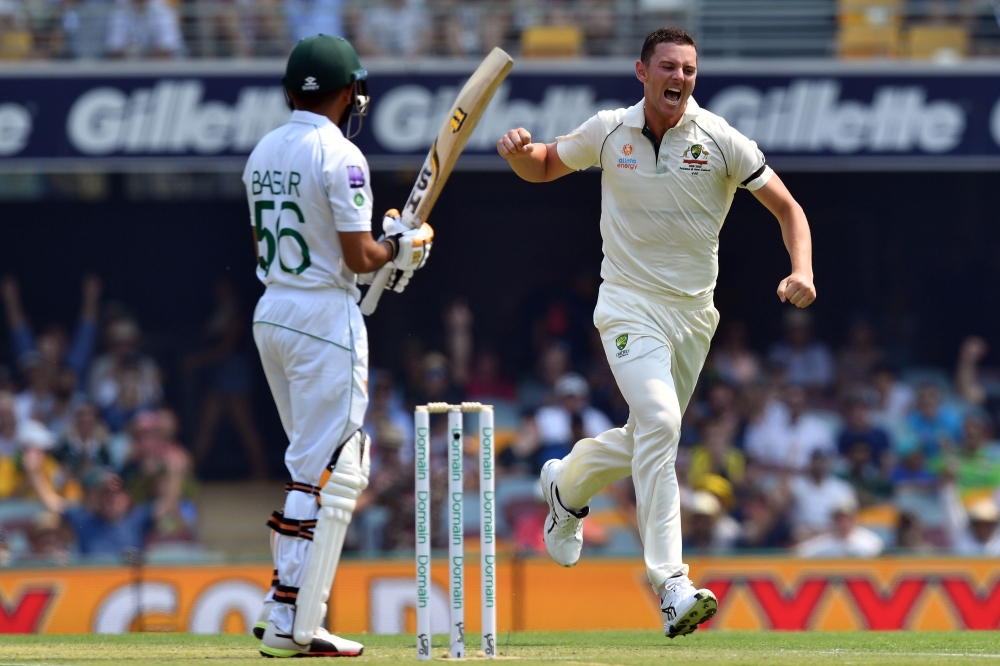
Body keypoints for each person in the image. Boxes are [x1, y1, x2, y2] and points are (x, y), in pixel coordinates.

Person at [497, 26, 816, 638]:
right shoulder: (609, 130)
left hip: (694, 315)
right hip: (625, 304)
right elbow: (543, 165)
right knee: (663, 426)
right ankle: (671, 584)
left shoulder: (722, 139)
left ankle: (565, 486)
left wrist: (801, 268)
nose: (679, 78)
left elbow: (789, 208)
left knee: (648, 433)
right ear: (641, 72)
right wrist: (518, 153)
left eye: (689, 69)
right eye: (668, 66)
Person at [244, 34, 432, 657]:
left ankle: (285, 608)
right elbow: (357, 257)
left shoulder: (262, 152)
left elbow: (269, 247)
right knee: (328, 470)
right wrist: (401, 247)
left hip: (272, 310)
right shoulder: (342, 155)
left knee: (323, 466)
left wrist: (385, 251)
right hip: (324, 317)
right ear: (348, 91)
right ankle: (294, 621)